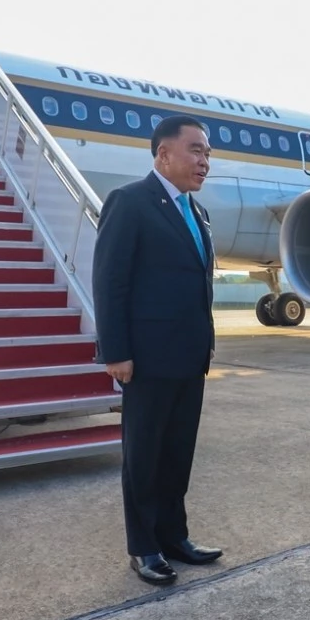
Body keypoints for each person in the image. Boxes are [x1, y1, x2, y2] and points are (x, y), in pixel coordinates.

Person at [90, 115, 224, 585]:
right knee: (143, 456)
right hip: (146, 357)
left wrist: (206, 341)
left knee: (177, 453)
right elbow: (110, 281)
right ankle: (144, 547)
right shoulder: (130, 202)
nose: (204, 161)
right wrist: (115, 351)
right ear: (163, 154)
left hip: (190, 356)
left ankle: (174, 536)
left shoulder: (197, 213)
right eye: (196, 150)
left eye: (208, 153)